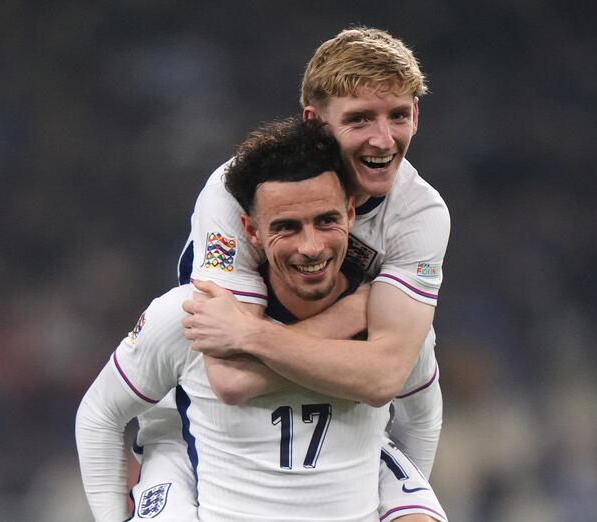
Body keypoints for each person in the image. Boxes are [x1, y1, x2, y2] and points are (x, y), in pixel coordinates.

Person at [76, 118, 446, 521]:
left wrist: (403, 503)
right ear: (251, 231)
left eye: (326, 221)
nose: (311, 247)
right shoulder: (194, 318)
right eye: (287, 227)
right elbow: (100, 414)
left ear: (351, 213)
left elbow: (421, 417)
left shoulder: (392, 324)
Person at [182, 26, 448, 477]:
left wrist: (252, 337)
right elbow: (230, 380)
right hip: (224, 432)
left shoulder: (420, 213)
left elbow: (384, 379)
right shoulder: (238, 194)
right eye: (359, 119)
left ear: (417, 114)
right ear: (314, 122)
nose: (384, 140)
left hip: (358, 423)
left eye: (398, 115)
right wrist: (356, 314)